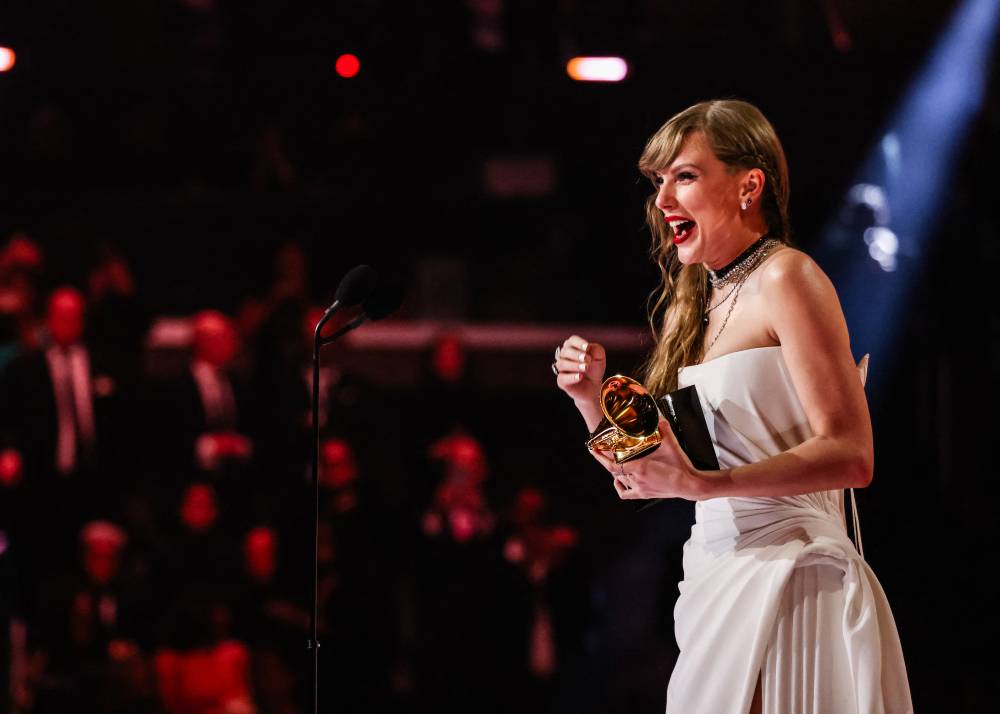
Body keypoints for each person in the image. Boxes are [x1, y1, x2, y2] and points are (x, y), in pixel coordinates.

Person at [553, 99, 912, 713]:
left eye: (685, 176)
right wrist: (590, 400)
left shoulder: (786, 277)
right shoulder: (694, 307)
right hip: (718, 570)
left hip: (793, 572)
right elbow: (641, 480)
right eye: (659, 180)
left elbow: (852, 455)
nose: (664, 198)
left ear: (750, 185)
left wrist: (706, 482)